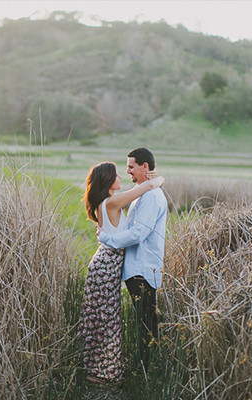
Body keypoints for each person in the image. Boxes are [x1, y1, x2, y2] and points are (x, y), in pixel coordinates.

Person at [80, 161, 164, 385]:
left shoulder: (106, 203)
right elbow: (143, 189)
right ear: (108, 180)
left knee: (102, 318)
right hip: (106, 267)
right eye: (117, 175)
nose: (121, 177)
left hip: (105, 265)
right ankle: (101, 373)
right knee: (106, 320)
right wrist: (157, 179)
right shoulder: (112, 201)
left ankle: (99, 370)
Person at [97, 148, 168, 373]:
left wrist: (106, 238)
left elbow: (138, 234)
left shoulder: (151, 196)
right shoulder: (143, 192)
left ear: (145, 167)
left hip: (143, 268)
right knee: (144, 322)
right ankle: (146, 369)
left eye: (131, 166)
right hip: (137, 268)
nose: (127, 171)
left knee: (146, 324)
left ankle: (147, 371)